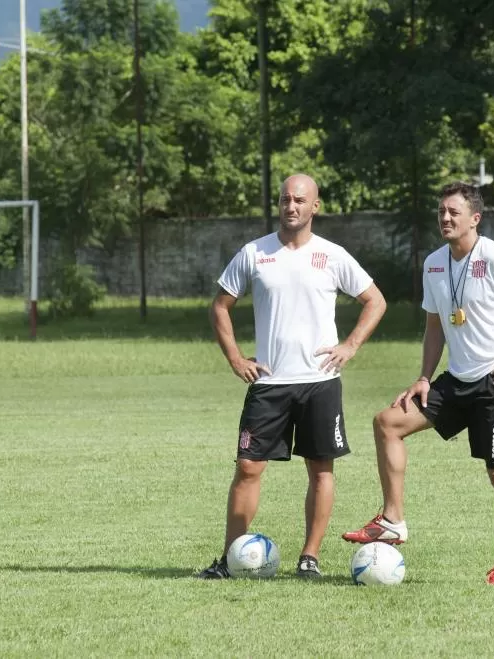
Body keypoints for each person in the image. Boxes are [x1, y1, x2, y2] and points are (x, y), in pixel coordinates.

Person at [341, 181, 494, 586]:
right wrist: (424, 376)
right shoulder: (434, 263)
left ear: (474, 219)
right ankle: (392, 520)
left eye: (453, 213)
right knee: (387, 422)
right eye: (441, 212)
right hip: (456, 381)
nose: (444, 218)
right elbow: (435, 325)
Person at [196, 173, 387, 579]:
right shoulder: (254, 253)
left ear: (315, 206)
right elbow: (220, 306)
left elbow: (375, 301)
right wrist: (234, 357)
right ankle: (232, 559)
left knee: (320, 469)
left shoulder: (332, 255)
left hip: (319, 382)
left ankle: (310, 558)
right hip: (268, 383)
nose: (291, 206)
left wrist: (349, 346)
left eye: (300, 200)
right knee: (248, 467)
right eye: (285, 199)